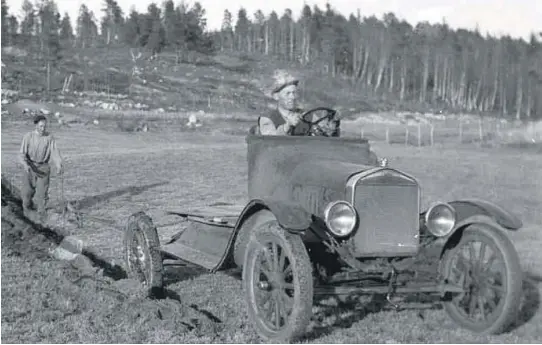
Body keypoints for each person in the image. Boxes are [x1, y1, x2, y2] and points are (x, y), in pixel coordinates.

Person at [19, 115, 63, 223]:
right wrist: (25, 165)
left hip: (43, 167)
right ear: (36, 125)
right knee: (27, 193)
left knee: (42, 193)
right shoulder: (28, 136)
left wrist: (58, 164)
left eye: (44, 126)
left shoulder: (49, 137)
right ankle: (26, 213)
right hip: (30, 166)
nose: (43, 129)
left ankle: (41, 217)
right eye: (40, 126)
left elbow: (54, 152)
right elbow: (22, 154)